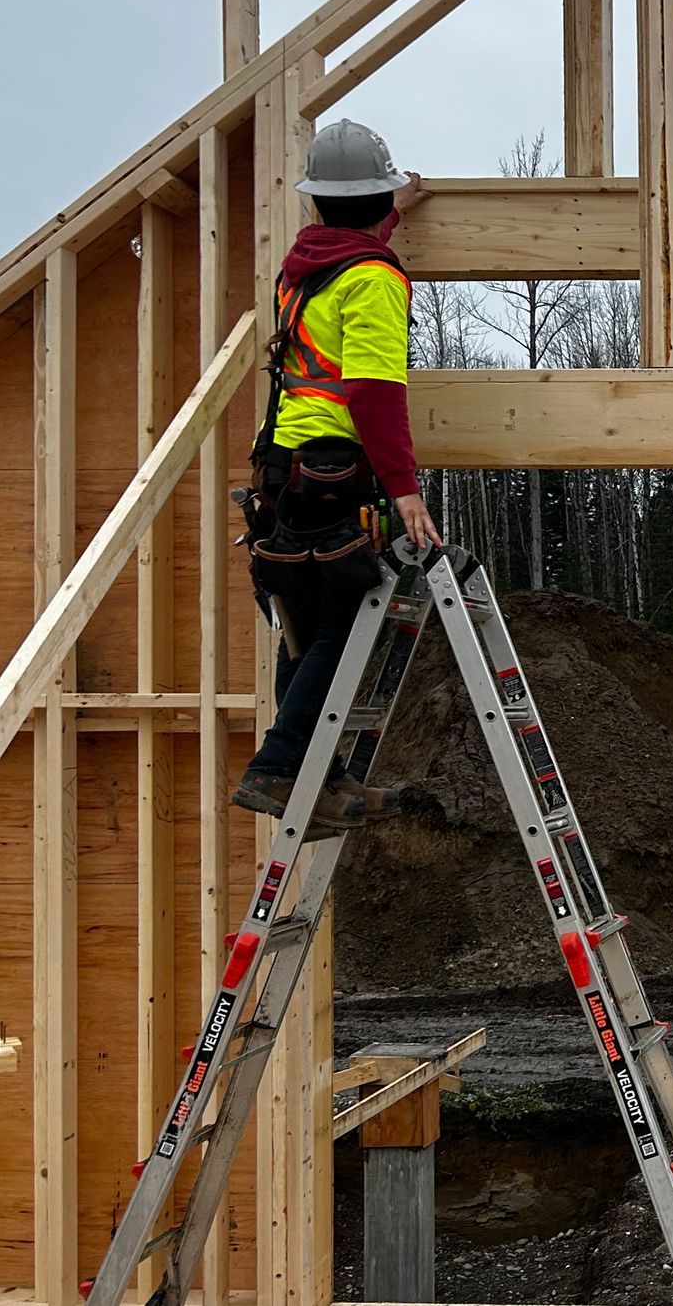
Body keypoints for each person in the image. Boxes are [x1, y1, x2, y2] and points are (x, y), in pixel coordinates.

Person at [233, 119, 443, 833]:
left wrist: (393, 211)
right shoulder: (374, 279)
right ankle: (279, 765)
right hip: (335, 470)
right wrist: (406, 486)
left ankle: (317, 773)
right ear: (375, 190)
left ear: (319, 202)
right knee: (346, 617)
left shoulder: (304, 267)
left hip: (287, 468)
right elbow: (375, 391)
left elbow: (352, 241)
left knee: (311, 623)